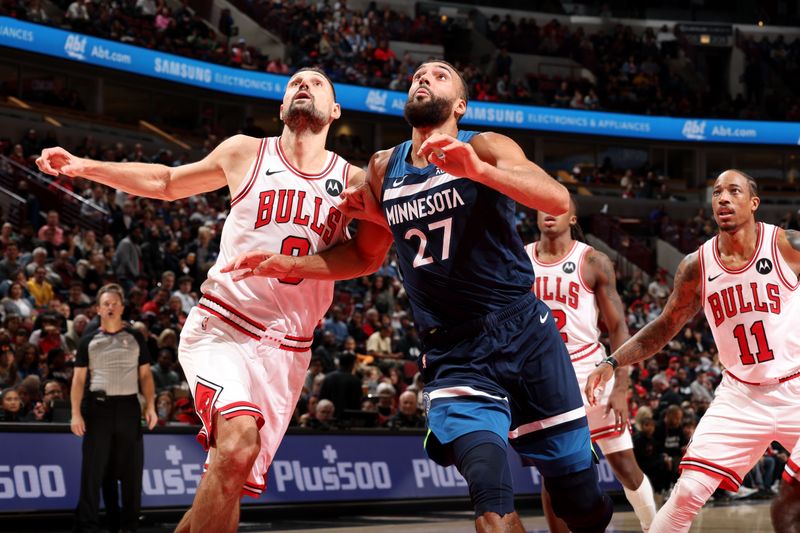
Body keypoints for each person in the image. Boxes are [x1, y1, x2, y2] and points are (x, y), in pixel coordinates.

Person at [226, 60, 612, 533]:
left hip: (525, 334)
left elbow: (556, 200)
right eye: (417, 76)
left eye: (441, 74)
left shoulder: (485, 146)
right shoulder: (384, 167)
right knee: (490, 505)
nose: (424, 79)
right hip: (456, 353)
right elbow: (365, 256)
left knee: (580, 502)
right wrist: (294, 265)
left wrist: (477, 170)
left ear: (462, 105)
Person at [37, 68, 390, 533]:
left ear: (336, 111)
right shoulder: (245, 151)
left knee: (228, 479)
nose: (304, 85)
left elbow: (367, 259)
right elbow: (166, 182)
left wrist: (296, 265)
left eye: (317, 83)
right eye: (294, 83)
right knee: (239, 445)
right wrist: (84, 166)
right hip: (223, 325)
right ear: (281, 108)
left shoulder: (353, 180)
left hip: (288, 350)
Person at [586, 170, 800, 533]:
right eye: (717, 192)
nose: (723, 198)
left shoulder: (785, 245)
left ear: (754, 203)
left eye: (734, 191)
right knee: (686, 494)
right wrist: (612, 360)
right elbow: (665, 326)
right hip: (740, 395)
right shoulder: (696, 266)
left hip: (796, 385)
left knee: (790, 504)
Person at [526, 199, 657, 532]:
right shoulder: (519, 259)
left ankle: (654, 526)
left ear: (572, 217)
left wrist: (623, 386)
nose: (549, 211)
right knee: (552, 468)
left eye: (557, 205)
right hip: (545, 377)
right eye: (542, 205)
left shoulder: (594, 260)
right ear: (535, 214)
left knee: (625, 464)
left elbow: (618, 328)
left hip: (592, 373)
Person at [70, 284, 157, 533]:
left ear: (122, 307)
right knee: (93, 471)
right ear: (98, 309)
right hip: (98, 409)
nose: (110, 307)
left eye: (114, 303)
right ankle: (88, 524)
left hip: (129, 408)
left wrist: (150, 405)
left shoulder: (136, 337)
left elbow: (146, 376)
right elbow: (77, 380)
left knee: (131, 471)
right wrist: (75, 413)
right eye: (105, 304)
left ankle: (129, 525)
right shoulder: (88, 341)